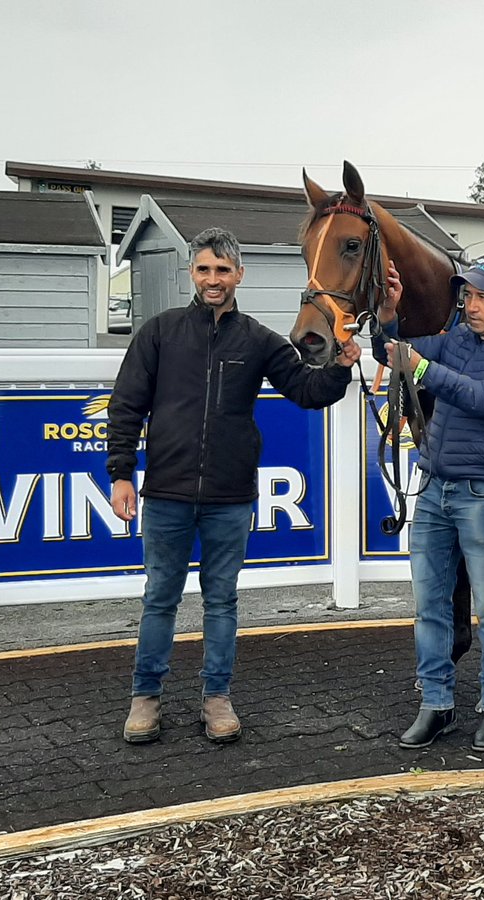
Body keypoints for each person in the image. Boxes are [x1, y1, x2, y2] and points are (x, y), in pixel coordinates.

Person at [109, 227, 360, 745]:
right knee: (160, 598)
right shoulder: (159, 332)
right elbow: (126, 406)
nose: (213, 279)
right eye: (204, 269)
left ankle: (216, 698)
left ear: (239, 275)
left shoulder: (260, 340)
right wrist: (121, 475)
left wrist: (339, 366)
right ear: (192, 274)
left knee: (220, 600)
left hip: (230, 498)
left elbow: (305, 391)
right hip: (165, 494)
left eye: (223, 270)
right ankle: (145, 698)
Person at [376, 255, 484, 753]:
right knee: (430, 608)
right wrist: (390, 316)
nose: (471, 305)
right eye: (467, 296)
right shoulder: (457, 337)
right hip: (435, 487)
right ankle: (436, 702)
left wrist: (423, 367)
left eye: (482, 296)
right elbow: (393, 352)